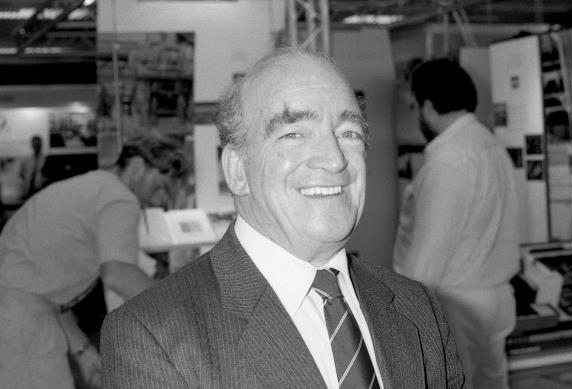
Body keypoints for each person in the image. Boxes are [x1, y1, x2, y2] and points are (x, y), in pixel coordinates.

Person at [101, 48, 466, 389]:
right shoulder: (150, 336)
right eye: (293, 133)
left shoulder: (417, 307)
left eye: (349, 133)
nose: (335, 159)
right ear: (237, 170)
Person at [0, 132, 188, 389]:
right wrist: (183, 316)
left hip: (21, 316)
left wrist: (83, 350)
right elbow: (118, 274)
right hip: (21, 326)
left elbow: (44, 293)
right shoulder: (120, 198)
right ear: (137, 166)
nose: (157, 200)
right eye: (159, 187)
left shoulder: (93, 187)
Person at [393, 58, 520, 389]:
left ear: (430, 108)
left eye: (415, 106)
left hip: (457, 306)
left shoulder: (448, 161)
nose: (416, 114)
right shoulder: (492, 147)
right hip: (497, 298)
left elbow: (428, 254)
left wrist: (403, 316)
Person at [18, 135, 46, 200]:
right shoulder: (27, 160)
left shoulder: (45, 159)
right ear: (32, 145)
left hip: (40, 189)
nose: (36, 146)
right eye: (35, 144)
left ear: (41, 145)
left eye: (38, 144)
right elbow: (21, 174)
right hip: (29, 189)